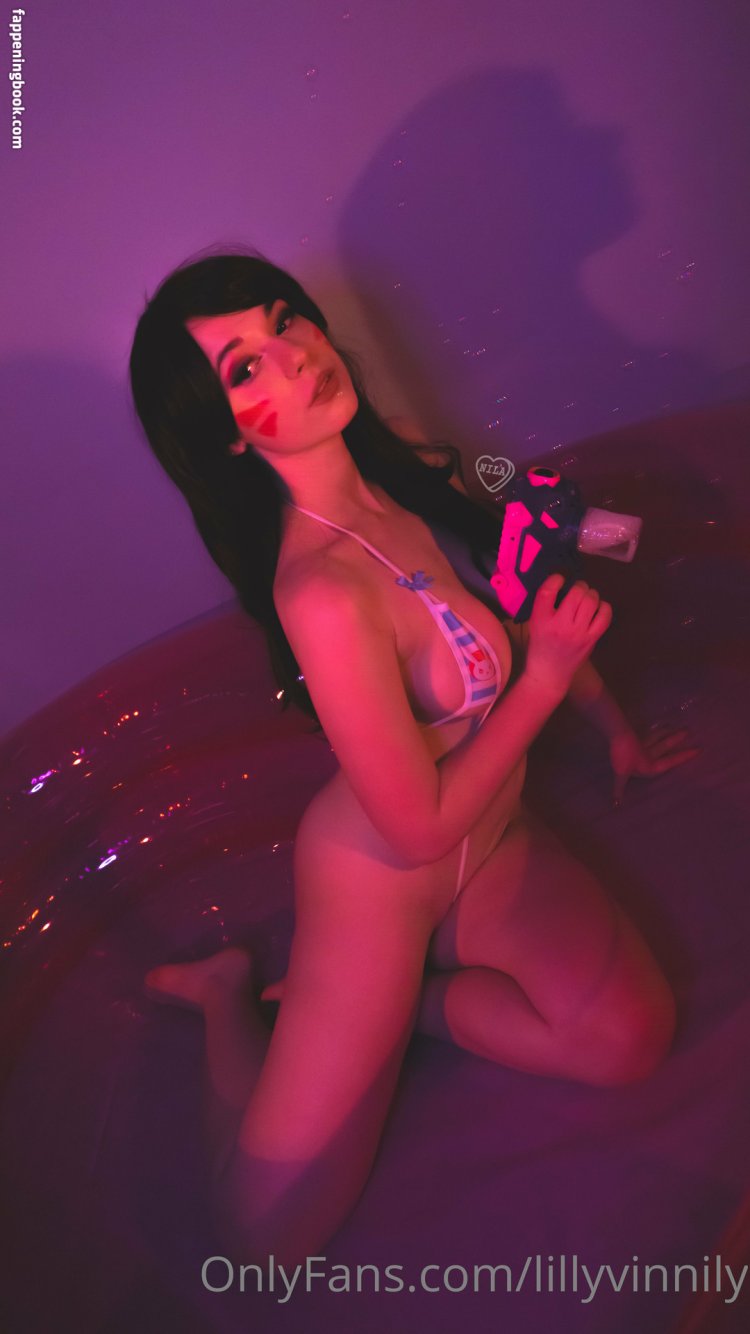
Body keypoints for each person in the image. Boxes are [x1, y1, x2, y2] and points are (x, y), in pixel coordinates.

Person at [128, 246, 699, 1267]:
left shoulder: (409, 476)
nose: (295, 354)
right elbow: (419, 824)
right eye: (246, 367)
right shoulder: (318, 589)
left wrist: (615, 730)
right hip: (385, 875)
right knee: (265, 1239)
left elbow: (529, 589)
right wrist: (544, 680)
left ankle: (412, 1010)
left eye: (284, 319)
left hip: (494, 827)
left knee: (627, 1038)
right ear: (224, 435)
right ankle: (228, 992)